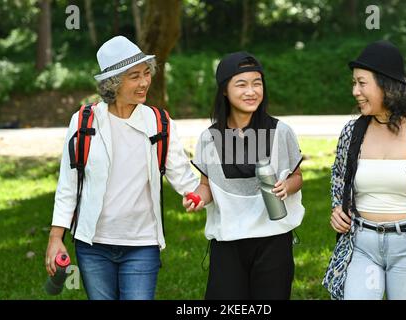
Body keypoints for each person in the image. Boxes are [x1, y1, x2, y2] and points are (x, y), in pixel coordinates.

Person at [45, 36, 199, 300]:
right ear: (113, 83)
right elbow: (69, 183)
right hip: (93, 244)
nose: (144, 82)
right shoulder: (84, 121)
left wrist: (199, 193)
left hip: (142, 243)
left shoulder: (160, 123)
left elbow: (184, 177)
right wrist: (55, 237)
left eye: (146, 73)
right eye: (134, 76)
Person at [323, 40, 406, 300]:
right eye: (353, 83)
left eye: (362, 83)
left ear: (386, 84)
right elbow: (338, 176)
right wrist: (338, 207)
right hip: (361, 245)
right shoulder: (352, 132)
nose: (355, 91)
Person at [183, 51, 305, 299]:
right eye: (241, 84)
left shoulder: (281, 131)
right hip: (228, 240)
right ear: (225, 90)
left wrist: (287, 187)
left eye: (257, 83)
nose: (251, 91)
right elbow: (206, 185)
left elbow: (297, 177)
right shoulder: (209, 138)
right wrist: (197, 197)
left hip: (273, 239)